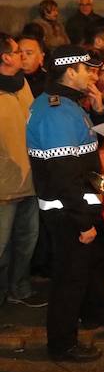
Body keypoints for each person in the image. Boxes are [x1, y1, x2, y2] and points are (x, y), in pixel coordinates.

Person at [25, 46, 104, 362]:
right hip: (68, 213)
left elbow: (89, 149)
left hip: (79, 207)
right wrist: (83, 222)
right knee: (69, 279)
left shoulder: (68, 105)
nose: (94, 76)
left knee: (82, 272)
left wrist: (97, 112)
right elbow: (64, 177)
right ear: (71, 71)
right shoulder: (56, 111)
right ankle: (63, 343)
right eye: (89, 70)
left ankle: (91, 315)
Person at [0, 34, 41, 308]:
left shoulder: (22, 83)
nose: (22, 57)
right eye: (18, 52)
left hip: (31, 181)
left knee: (26, 242)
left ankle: (19, 289)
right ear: (5, 57)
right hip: (3, 186)